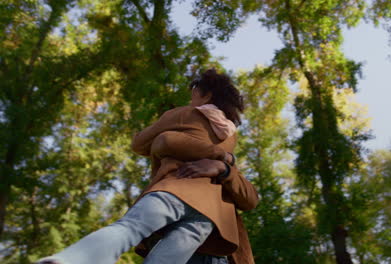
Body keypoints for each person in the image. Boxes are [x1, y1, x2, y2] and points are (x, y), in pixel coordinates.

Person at [36, 68, 259, 264]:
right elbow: (248, 196)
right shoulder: (230, 138)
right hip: (208, 216)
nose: (191, 100)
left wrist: (163, 140)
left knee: (130, 228)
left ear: (207, 95)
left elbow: (139, 144)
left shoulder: (185, 114)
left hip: (175, 190)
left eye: (194, 95)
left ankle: (70, 260)